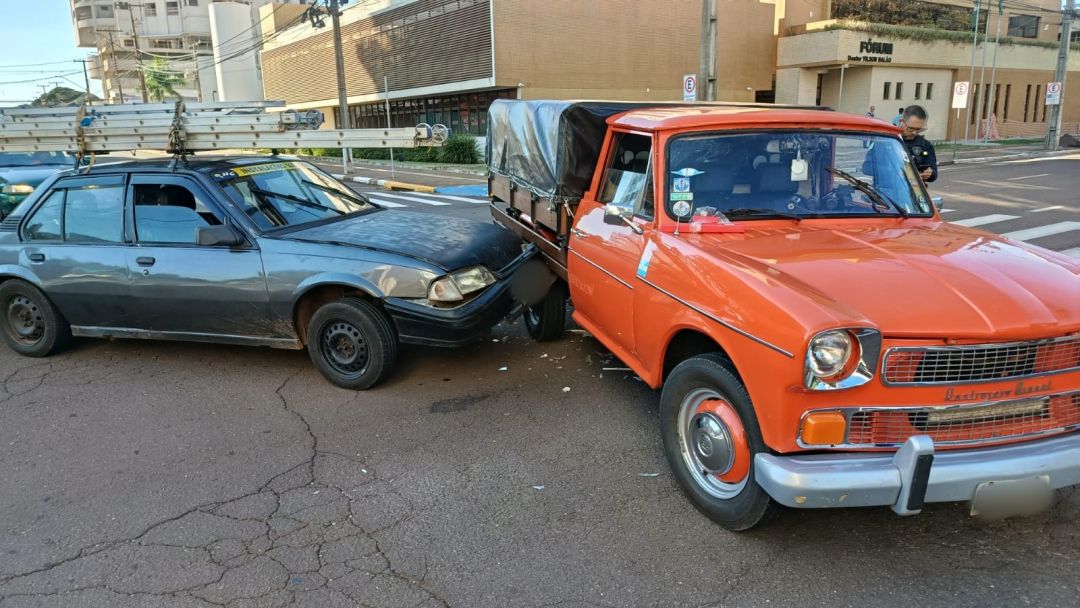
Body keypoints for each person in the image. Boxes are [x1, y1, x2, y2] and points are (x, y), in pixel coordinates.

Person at [899, 105, 937, 183]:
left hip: (914, 192)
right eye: (911, 128)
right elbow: (869, 167)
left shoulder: (925, 145)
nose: (914, 132)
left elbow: (934, 173)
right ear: (902, 121)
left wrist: (930, 174)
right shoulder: (887, 140)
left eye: (918, 129)